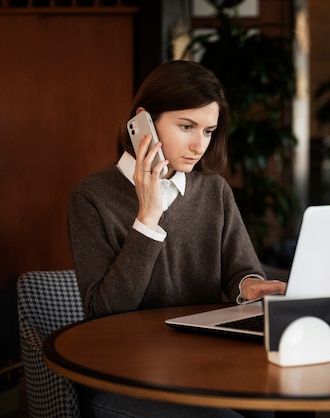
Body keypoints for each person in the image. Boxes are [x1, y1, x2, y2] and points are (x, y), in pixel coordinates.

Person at [67, 60, 286, 417]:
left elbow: (241, 270)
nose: (199, 145)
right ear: (144, 122)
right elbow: (103, 311)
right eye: (187, 126)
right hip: (124, 375)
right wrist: (147, 218)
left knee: (269, 408)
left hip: (201, 364)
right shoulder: (91, 197)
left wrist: (248, 284)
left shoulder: (213, 191)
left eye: (209, 131)